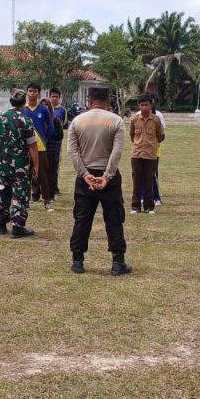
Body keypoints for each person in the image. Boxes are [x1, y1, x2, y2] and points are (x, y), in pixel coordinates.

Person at [67, 86, 129, 276]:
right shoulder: (116, 121)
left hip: (86, 176)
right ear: (108, 99)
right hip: (107, 176)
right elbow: (116, 152)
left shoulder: (78, 121)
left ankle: (78, 260)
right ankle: (118, 262)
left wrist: (85, 175)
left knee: (82, 218)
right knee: (114, 219)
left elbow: (72, 152)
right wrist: (107, 176)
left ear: (89, 100)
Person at [0, 89, 40, 238]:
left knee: (2, 193)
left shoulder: (0, 118)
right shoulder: (26, 120)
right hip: (20, 166)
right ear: (23, 103)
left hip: (3, 164)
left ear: (11, 101)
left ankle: (1, 225)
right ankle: (17, 227)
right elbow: (32, 145)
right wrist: (36, 165)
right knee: (19, 195)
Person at [129, 94, 165, 215]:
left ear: (151, 105)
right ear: (138, 106)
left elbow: (160, 136)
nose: (144, 107)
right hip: (137, 154)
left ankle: (150, 206)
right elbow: (132, 135)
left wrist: (151, 144)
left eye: (147, 105)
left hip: (150, 155)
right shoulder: (134, 119)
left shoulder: (156, 120)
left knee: (150, 180)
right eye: (142, 105)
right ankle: (135, 206)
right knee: (136, 181)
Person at [23, 82, 55, 211]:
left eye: (35, 91)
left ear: (39, 93)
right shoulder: (22, 109)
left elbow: (51, 128)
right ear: (27, 92)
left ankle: (47, 201)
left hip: (40, 147)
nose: (32, 93)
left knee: (42, 174)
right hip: (24, 147)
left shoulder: (44, 109)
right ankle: (25, 201)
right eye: (30, 91)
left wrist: (43, 139)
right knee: (24, 175)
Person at [49, 87, 69, 197]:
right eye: (52, 96)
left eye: (56, 97)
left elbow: (64, 125)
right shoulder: (44, 109)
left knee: (55, 165)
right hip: (45, 141)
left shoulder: (62, 110)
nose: (54, 98)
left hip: (56, 143)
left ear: (59, 98)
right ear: (49, 97)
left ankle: (54, 187)